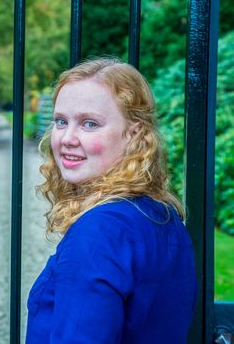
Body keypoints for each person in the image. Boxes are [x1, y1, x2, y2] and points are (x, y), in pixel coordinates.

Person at [26, 58, 197, 343]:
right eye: (61, 121)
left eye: (89, 123)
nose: (67, 137)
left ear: (134, 133)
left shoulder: (99, 232)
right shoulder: (163, 215)